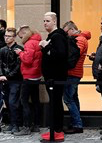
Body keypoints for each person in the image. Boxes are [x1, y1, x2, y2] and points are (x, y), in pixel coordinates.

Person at [39, 12, 68, 142]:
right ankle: (55, 129)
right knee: (54, 102)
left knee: (56, 102)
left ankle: (57, 130)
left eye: (48, 21)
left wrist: (46, 46)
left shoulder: (58, 36)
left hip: (56, 77)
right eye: (44, 21)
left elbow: (60, 55)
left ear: (54, 21)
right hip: (52, 76)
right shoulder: (53, 36)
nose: (45, 23)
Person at [14, 26, 42, 136]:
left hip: (29, 75)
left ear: (24, 33)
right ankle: (36, 125)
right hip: (37, 75)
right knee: (35, 101)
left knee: (24, 101)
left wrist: (20, 53)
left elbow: (28, 60)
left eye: (20, 35)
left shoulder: (29, 43)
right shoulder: (37, 41)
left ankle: (26, 127)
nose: (20, 37)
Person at [62, 21, 89, 134]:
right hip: (74, 73)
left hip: (73, 73)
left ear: (72, 30)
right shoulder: (80, 39)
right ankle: (75, 122)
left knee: (68, 99)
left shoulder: (79, 40)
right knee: (73, 98)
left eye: (66, 32)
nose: (65, 35)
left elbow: (73, 55)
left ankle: (77, 124)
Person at [0, 27, 24, 134]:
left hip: (15, 80)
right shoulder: (2, 49)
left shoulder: (18, 49)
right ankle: (12, 124)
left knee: (14, 102)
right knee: (7, 101)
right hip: (5, 79)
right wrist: (1, 75)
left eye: (9, 36)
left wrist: (8, 76)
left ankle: (16, 124)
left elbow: (18, 66)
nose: (6, 38)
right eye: (5, 36)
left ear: (14, 37)